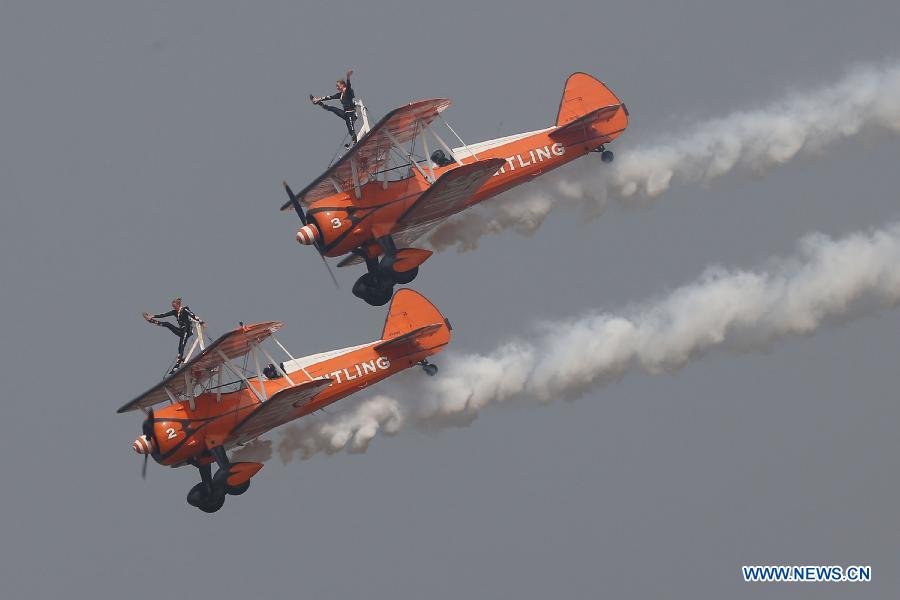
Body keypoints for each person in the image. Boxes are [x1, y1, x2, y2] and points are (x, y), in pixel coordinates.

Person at [143, 297, 205, 375]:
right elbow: (164, 315)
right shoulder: (174, 312)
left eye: (174, 306)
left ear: (178, 305)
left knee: (181, 346)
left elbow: (192, 315)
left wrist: (201, 322)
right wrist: (153, 316)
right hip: (181, 331)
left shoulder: (184, 309)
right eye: (172, 306)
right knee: (167, 324)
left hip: (187, 330)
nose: (173, 307)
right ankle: (152, 321)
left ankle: (177, 364)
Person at [310, 69, 358, 146]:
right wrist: (319, 99)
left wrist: (348, 77)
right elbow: (330, 97)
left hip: (351, 113)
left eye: (338, 86)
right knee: (332, 108)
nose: (337, 87)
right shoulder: (340, 94)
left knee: (350, 127)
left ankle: (354, 139)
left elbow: (349, 85)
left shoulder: (348, 91)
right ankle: (319, 103)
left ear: (342, 85)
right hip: (346, 113)